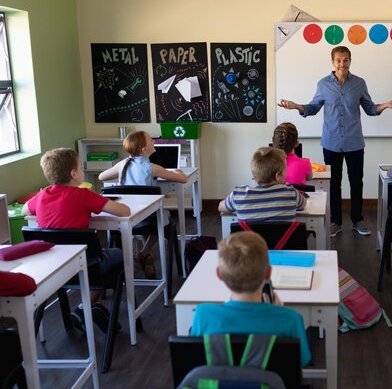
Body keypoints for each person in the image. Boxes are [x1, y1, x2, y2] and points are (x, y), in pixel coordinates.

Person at [278, 45, 392, 238]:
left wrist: (387, 105)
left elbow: (371, 109)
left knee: (356, 182)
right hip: (331, 142)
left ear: (350, 61)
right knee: (334, 183)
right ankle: (335, 222)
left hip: (354, 142)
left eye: (345, 60)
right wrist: (297, 106)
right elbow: (313, 108)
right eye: (338, 60)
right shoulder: (323, 84)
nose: (342, 64)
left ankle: (357, 220)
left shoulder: (359, 83)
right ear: (332, 62)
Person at [22, 148, 130, 333]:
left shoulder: (41, 196)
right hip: (85, 266)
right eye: (80, 167)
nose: (81, 170)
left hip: (52, 268)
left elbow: (25, 210)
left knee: (98, 260)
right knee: (120, 256)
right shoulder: (83, 195)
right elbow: (124, 211)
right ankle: (85, 308)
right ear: (73, 173)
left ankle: (87, 310)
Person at [190, 231, 311, 366]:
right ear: (268, 273)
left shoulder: (203, 315)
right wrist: (278, 311)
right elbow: (302, 360)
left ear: (219, 274)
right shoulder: (290, 319)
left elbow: (198, 357)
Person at [99, 130, 188, 279]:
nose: (154, 141)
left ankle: (148, 258)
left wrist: (121, 172)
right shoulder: (153, 168)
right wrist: (179, 172)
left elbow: (102, 176)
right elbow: (183, 180)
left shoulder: (123, 164)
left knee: (150, 215)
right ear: (144, 149)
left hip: (128, 214)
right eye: (150, 140)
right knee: (163, 215)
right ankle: (143, 253)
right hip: (146, 216)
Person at [218, 147, 306, 222]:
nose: (286, 174)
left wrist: (238, 208)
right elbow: (303, 205)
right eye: (285, 170)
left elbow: (220, 207)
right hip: (283, 242)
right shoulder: (291, 193)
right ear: (278, 175)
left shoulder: (238, 195)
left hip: (251, 242)